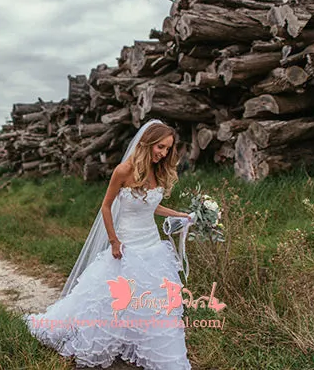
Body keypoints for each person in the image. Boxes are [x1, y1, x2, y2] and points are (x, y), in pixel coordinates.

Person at [26, 120, 196, 369]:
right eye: (160, 147)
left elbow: (150, 206)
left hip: (151, 245)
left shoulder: (157, 172)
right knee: (109, 299)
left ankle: (149, 348)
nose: (163, 153)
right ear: (147, 142)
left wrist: (180, 215)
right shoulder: (123, 171)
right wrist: (114, 241)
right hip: (127, 245)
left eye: (168, 149)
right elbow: (106, 206)